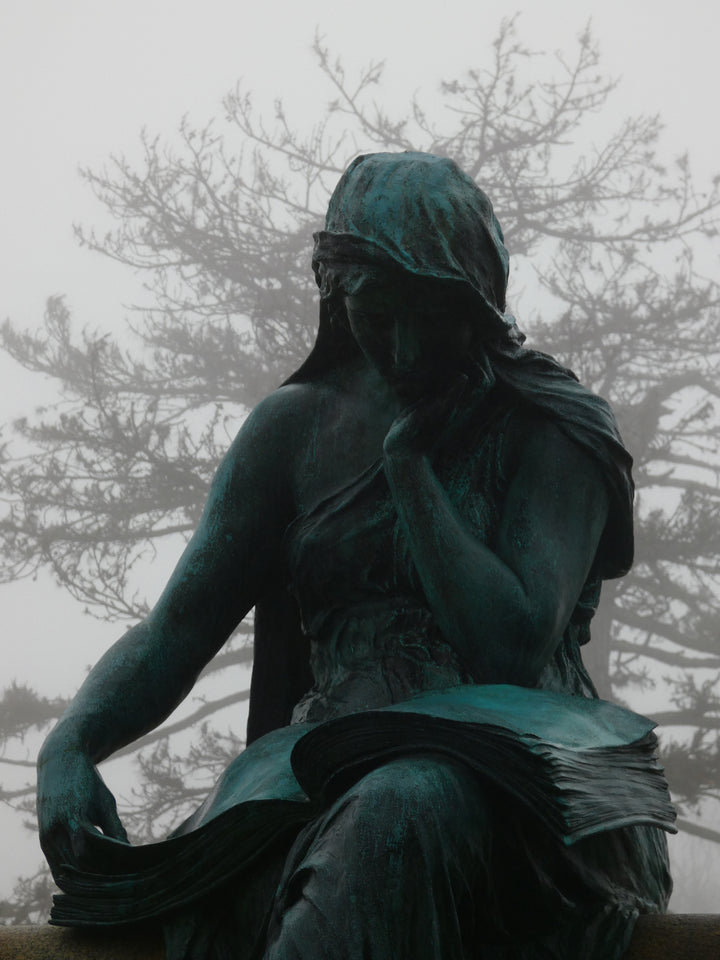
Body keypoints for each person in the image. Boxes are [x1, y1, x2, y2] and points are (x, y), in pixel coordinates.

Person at [37, 152, 673, 960]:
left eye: (429, 314)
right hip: (325, 776)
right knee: (225, 871)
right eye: (378, 315)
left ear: (477, 300)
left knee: (395, 816)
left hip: (528, 794)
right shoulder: (293, 431)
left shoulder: (549, 426)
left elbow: (508, 644)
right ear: (338, 300)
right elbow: (176, 631)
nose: (404, 349)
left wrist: (410, 470)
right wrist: (72, 743)